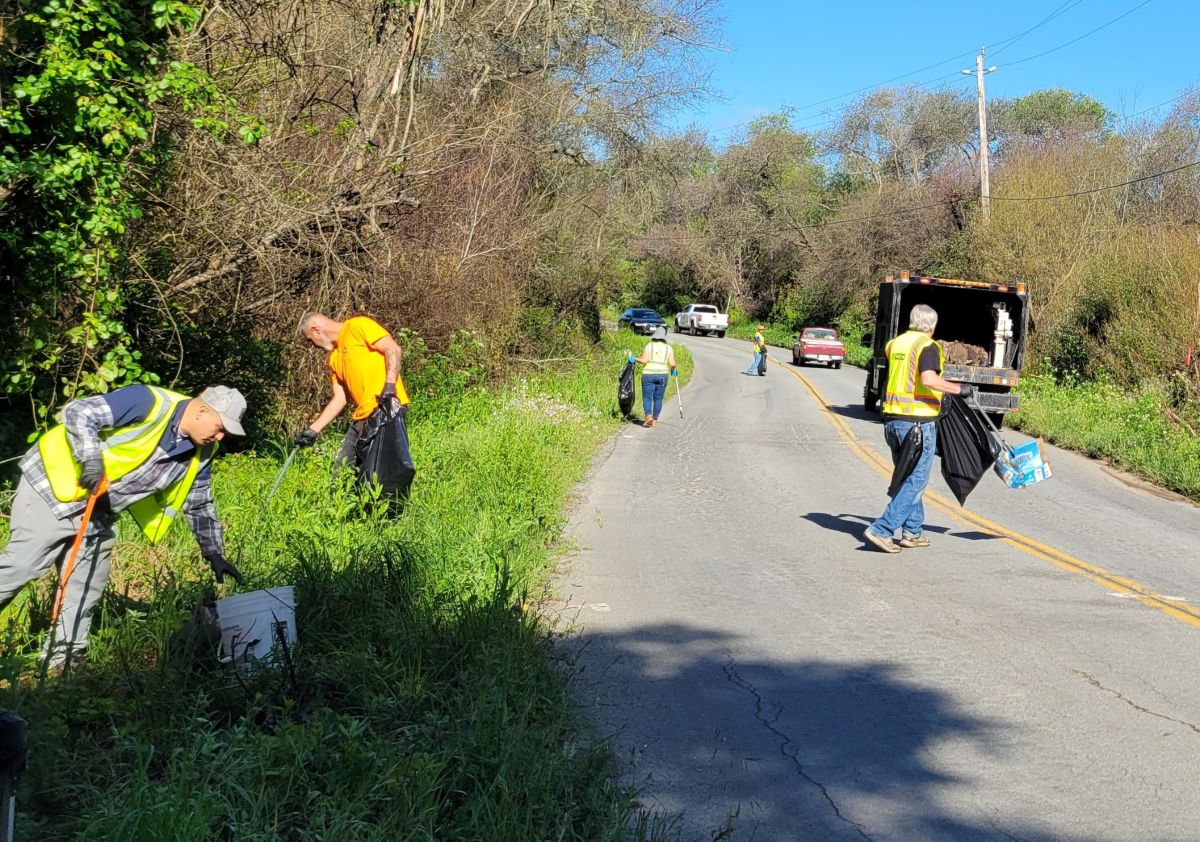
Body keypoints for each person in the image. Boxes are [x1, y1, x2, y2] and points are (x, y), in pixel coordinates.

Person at [0, 384, 248, 668]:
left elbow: (199, 501)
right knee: (24, 565)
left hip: (99, 508)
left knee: (87, 581)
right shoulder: (147, 402)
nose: (219, 436)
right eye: (219, 427)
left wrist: (213, 552)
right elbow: (78, 412)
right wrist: (90, 460)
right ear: (203, 409)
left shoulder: (203, 451)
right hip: (53, 488)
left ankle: (63, 659)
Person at [863, 304, 974, 554]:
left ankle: (912, 531)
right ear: (932, 326)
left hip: (893, 421)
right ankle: (881, 529)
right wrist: (959, 389)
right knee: (916, 480)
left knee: (907, 477)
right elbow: (928, 379)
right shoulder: (928, 346)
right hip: (918, 424)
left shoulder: (895, 344)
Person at [294, 312, 411, 465]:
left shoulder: (357, 326)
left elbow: (393, 349)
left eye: (311, 340)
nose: (314, 346)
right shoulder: (334, 358)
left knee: (383, 472)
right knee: (343, 471)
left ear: (316, 330)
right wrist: (313, 430)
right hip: (362, 417)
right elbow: (340, 398)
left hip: (388, 408)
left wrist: (390, 385)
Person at [629, 326, 677, 428]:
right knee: (658, 399)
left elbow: (644, 361)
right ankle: (654, 420)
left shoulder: (649, 346)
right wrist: (673, 371)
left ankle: (648, 417)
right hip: (663, 375)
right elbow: (672, 363)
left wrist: (633, 358)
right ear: (664, 337)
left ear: (655, 335)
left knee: (647, 397)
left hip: (648, 374)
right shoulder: (669, 348)